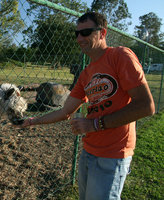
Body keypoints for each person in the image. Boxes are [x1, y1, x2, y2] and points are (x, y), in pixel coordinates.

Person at [19, 12, 155, 200]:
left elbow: (146, 106)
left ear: (102, 33)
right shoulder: (85, 74)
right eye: (77, 34)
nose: (79, 38)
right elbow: (66, 111)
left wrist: (94, 124)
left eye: (86, 32)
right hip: (89, 151)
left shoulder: (120, 56)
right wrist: (32, 121)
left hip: (114, 154)